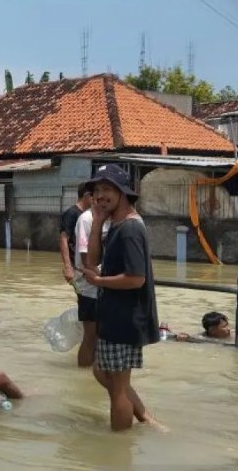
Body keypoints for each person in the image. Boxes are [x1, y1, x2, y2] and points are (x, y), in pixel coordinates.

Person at [79, 164, 161, 432]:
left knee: (118, 390)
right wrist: (98, 221)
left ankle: (119, 447)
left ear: (122, 192)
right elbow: (92, 262)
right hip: (113, 315)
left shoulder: (129, 229)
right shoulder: (115, 224)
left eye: (106, 189)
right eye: (96, 190)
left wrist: (100, 281)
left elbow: (136, 278)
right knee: (102, 373)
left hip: (125, 319)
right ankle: (148, 421)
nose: (100, 195)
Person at [72, 207, 110, 367]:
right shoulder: (86, 220)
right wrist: (106, 279)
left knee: (104, 336)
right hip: (89, 287)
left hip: (106, 284)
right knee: (91, 336)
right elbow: (86, 258)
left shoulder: (115, 217)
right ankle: (83, 375)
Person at [60, 185, 94, 285]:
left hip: (84, 263)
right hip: (76, 265)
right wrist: (68, 266)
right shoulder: (72, 213)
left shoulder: (88, 214)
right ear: (87, 196)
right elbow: (63, 239)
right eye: (94, 196)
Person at [168, 312, 233, 343]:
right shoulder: (200, 338)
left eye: (227, 325)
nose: (228, 328)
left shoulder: (234, 335)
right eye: (224, 326)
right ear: (212, 330)